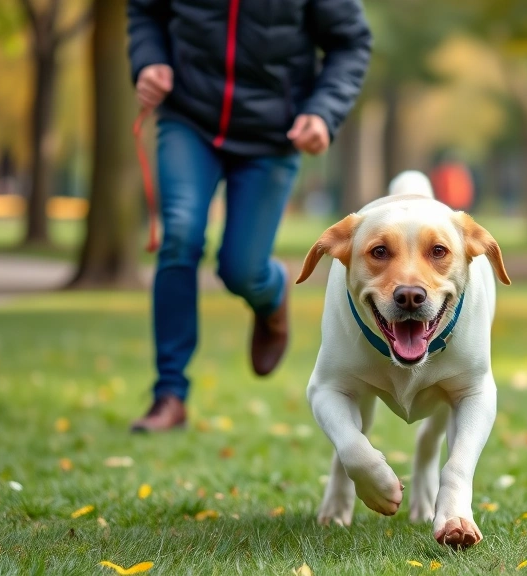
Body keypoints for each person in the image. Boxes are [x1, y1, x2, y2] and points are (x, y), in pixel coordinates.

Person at [127, 0, 372, 432]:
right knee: (180, 235)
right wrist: (149, 61)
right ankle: (169, 394)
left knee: (240, 270)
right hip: (189, 117)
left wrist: (323, 112)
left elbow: (350, 41)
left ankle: (271, 290)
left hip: (272, 134)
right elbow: (146, 10)